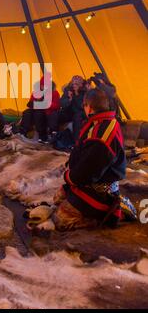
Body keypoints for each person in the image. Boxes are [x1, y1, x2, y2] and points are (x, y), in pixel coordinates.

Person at [52, 88, 136, 230]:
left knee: (61, 220)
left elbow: (89, 170)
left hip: (100, 189)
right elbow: (83, 152)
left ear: (89, 107)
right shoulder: (101, 121)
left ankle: (113, 212)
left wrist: (70, 177)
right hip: (90, 181)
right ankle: (91, 208)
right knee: (58, 198)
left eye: (84, 105)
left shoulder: (101, 136)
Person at [20, 77, 60, 143]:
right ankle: (23, 131)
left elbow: (57, 105)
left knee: (38, 114)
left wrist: (45, 104)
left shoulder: (54, 93)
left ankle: (42, 136)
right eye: (42, 85)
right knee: (27, 112)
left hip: (47, 111)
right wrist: (36, 103)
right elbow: (31, 103)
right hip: (36, 109)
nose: (43, 87)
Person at [58, 75, 88, 141]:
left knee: (77, 117)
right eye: (73, 83)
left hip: (80, 113)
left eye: (76, 84)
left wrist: (77, 94)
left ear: (81, 84)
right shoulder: (68, 91)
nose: (74, 85)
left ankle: (76, 141)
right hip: (69, 112)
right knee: (56, 114)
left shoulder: (85, 93)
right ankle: (54, 134)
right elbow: (62, 104)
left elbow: (82, 106)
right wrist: (69, 99)